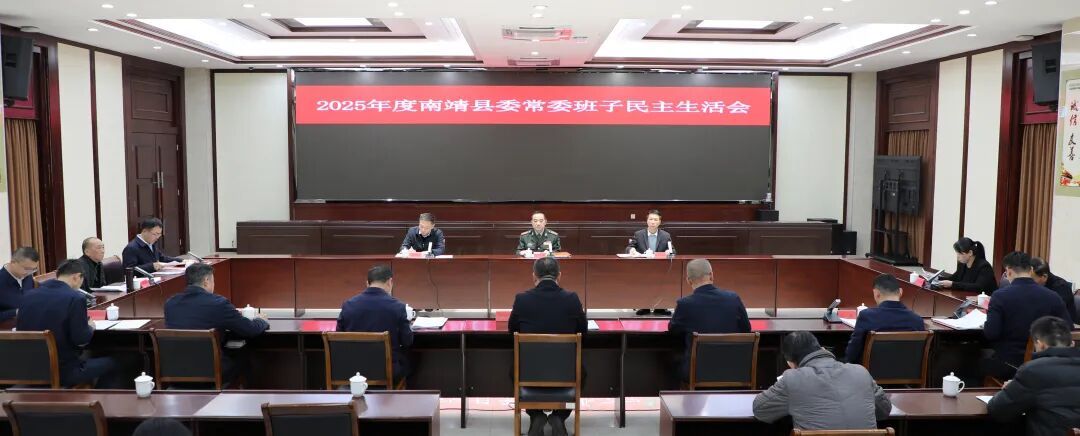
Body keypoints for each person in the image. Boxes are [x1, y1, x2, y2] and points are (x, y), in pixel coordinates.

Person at [508, 257, 587, 436]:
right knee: (582, 372)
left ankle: (536, 415)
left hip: (529, 374)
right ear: (559, 276)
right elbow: (583, 332)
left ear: (534, 276)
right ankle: (559, 416)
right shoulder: (572, 299)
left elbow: (512, 332)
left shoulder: (522, 300)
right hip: (565, 375)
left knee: (514, 370)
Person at [16, 259, 125, 388]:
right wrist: (90, 326)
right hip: (62, 371)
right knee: (113, 363)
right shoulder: (75, 298)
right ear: (76, 277)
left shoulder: (27, 295)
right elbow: (81, 338)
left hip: (28, 371)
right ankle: (97, 398)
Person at [753, 331, 891, 430]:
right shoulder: (861, 372)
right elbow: (884, 410)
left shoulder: (792, 379)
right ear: (822, 349)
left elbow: (760, 409)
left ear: (790, 363)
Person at [164, 262, 269, 385]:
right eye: (213, 281)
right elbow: (250, 330)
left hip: (175, 374)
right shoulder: (218, 304)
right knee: (244, 354)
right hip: (210, 374)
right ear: (206, 281)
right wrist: (261, 320)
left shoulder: (170, 304)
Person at [983, 251, 1071, 380]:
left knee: (974, 361)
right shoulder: (1053, 296)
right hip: (1045, 362)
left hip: (1009, 363)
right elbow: (1068, 328)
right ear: (1031, 270)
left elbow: (991, 333)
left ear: (1009, 272)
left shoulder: (1000, 296)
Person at [987, 316, 1080, 436]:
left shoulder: (1033, 370)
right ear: (1072, 344)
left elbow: (998, 411)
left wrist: (1011, 389)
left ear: (1040, 345)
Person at [667, 258, 751, 381]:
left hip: (697, 373)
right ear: (711, 275)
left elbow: (673, 331)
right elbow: (747, 330)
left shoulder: (685, 304)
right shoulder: (733, 299)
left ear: (688, 281)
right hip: (734, 371)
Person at [336, 264, 414, 382]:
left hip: (353, 372)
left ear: (367, 283)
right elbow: (407, 341)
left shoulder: (348, 305)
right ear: (390, 282)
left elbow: (338, 339)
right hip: (387, 371)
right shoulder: (398, 307)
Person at [844, 274, 926, 364]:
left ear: (876, 293)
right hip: (908, 371)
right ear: (900, 292)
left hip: (870, 372)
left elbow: (852, 355)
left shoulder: (867, 316)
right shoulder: (917, 320)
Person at [628, 210, 675, 316]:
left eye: (655, 220)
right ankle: (644, 306)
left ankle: (661, 308)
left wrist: (669, 252)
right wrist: (632, 250)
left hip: (660, 268)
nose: (653, 222)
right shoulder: (639, 234)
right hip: (643, 267)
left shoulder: (665, 235)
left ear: (659, 222)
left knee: (662, 284)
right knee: (644, 284)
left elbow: (672, 250)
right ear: (647, 221)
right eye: (651, 219)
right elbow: (630, 246)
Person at [1031, 257, 1075, 324]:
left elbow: (1053, 311)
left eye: (1032, 279)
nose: (1029, 282)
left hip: (1061, 326)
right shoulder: (1036, 286)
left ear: (1044, 277)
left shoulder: (1061, 287)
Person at [0, 247, 39, 322]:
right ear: (13, 262)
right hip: (9, 327)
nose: (29, 273)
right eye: (26, 269)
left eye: (34, 269)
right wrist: (15, 312)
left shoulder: (27, 276)